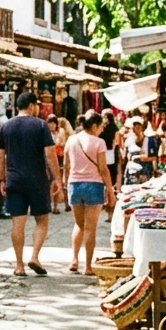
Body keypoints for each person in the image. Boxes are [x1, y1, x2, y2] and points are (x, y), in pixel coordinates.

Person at [0, 92, 62, 276]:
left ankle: (19, 265)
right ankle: (34, 256)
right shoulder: (40, 125)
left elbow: (1, 156)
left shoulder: (6, 127)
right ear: (32, 105)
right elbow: (50, 154)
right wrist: (57, 179)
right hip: (37, 180)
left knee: (18, 223)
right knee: (41, 220)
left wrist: (2, 179)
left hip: (14, 179)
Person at [63, 113, 113, 275]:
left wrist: (66, 184)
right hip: (94, 185)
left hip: (74, 185)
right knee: (91, 228)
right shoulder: (99, 143)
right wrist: (110, 191)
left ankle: (74, 260)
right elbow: (103, 169)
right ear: (94, 126)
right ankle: (88, 266)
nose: (101, 130)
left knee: (79, 225)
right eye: (101, 127)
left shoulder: (71, 140)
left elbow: (66, 165)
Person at [121, 116, 159, 186]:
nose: (136, 130)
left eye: (138, 127)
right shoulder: (128, 141)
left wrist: (137, 157)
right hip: (131, 174)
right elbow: (124, 158)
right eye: (134, 127)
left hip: (145, 173)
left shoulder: (149, 140)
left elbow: (154, 157)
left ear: (142, 128)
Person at [47, 115, 68, 213]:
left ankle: (55, 206)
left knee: (57, 180)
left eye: (53, 123)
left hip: (58, 158)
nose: (51, 125)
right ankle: (48, 204)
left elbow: (63, 143)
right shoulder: (45, 134)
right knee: (48, 182)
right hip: (47, 160)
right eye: (50, 123)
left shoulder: (60, 133)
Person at [100, 110, 121, 201]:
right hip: (111, 153)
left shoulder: (102, 128)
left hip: (104, 152)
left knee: (105, 172)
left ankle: (106, 196)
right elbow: (116, 142)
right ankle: (111, 193)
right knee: (112, 172)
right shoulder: (115, 128)